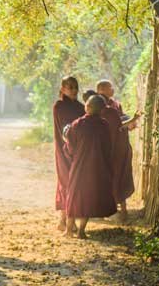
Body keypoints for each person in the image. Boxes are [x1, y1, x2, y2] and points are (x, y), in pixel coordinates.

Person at [64, 95, 117, 239]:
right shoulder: (104, 125)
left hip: (80, 167)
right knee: (88, 197)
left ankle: (68, 230)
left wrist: (65, 139)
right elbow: (108, 147)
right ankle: (81, 230)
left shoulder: (78, 124)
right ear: (101, 111)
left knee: (74, 196)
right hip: (97, 168)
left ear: (87, 107)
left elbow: (71, 148)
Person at [96, 80, 141, 221]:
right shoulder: (98, 105)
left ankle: (123, 210)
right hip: (107, 150)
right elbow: (114, 124)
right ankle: (109, 210)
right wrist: (130, 121)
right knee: (110, 178)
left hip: (120, 147)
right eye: (110, 87)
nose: (113, 89)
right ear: (101, 89)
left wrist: (130, 121)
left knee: (121, 176)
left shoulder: (114, 104)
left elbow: (120, 119)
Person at [52, 76, 85, 231]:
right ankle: (65, 221)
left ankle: (64, 220)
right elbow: (65, 129)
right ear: (63, 89)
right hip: (64, 149)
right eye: (69, 87)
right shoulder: (59, 106)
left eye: (75, 87)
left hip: (79, 151)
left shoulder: (81, 107)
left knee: (75, 183)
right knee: (66, 182)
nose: (73, 90)